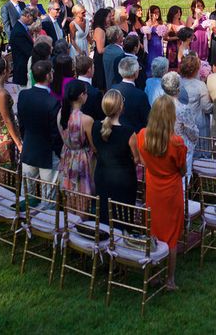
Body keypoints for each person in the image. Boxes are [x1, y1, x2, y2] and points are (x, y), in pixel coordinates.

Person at [137, 95, 187, 291]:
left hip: (153, 188)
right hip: (171, 191)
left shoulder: (142, 135)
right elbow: (182, 170)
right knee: (171, 236)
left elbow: (143, 160)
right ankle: (170, 280)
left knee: (155, 232)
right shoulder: (176, 142)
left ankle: (154, 275)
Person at [92, 89, 139, 224]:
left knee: (104, 213)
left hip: (102, 174)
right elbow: (136, 159)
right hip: (123, 179)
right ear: (121, 107)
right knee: (122, 217)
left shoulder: (95, 126)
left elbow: (95, 148)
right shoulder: (128, 132)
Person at [17, 60, 62, 188]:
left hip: (29, 148)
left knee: (27, 192)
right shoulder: (52, 101)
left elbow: (22, 124)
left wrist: (25, 140)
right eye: (51, 71)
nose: (53, 72)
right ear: (48, 76)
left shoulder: (23, 95)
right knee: (48, 197)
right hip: (47, 153)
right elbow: (55, 132)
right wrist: (59, 153)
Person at [58, 79, 95, 203]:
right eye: (86, 93)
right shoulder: (86, 120)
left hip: (67, 155)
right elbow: (93, 146)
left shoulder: (61, 114)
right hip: (81, 160)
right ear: (81, 96)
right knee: (82, 197)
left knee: (69, 196)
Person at [162, 71, 198, 178]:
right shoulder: (183, 109)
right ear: (178, 88)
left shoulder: (158, 105)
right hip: (179, 147)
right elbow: (193, 134)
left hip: (163, 143)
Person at [0, 57, 22, 166]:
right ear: (4, 71)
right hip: (4, 134)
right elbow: (7, 119)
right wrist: (18, 142)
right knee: (7, 167)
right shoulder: (2, 94)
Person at [179, 53, 212, 144]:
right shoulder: (200, 85)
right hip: (197, 122)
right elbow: (206, 107)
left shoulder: (178, 82)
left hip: (181, 120)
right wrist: (215, 106)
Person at [113, 57, 150, 133]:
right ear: (136, 73)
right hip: (134, 135)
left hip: (116, 132)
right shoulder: (140, 95)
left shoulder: (113, 89)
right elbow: (147, 118)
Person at [75, 55, 105, 122]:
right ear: (89, 70)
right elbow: (100, 117)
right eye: (93, 67)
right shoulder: (95, 93)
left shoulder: (69, 85)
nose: (94, 69)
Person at [10, 8, 34, 88]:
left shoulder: (20, 27)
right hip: (23, 70)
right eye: (32, 18)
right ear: (28, 16)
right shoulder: (18, 32)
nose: (33, 21)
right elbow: (28, 51)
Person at [92, 7, 114, 90]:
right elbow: (100, 50)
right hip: (100, 60)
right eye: (109, 17)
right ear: (103, 18)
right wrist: (113, 46)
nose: (110, 19)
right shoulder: (99, 30)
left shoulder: (104, 28)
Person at [144, 5, 165, 76]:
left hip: (159, 45)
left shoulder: (161, 23)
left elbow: (163, 37)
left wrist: (163, 32)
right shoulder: (147, 23)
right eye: (155, 12)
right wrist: (150, 27)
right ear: (151, 14)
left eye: (158, 12)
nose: (157, 14)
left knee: (160, 63)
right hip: (151, 45)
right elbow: (148, 38)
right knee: (151, 62)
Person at [165, 6, 184, 70]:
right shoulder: (169, 25)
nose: (179, 14)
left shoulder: (182, 22)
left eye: (179, 12)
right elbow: (165, 38)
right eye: (177, 12)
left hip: (182, 45)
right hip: (172, 47)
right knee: (173, 64)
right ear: (173, 13)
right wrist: (176, 37)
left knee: (182, 63)